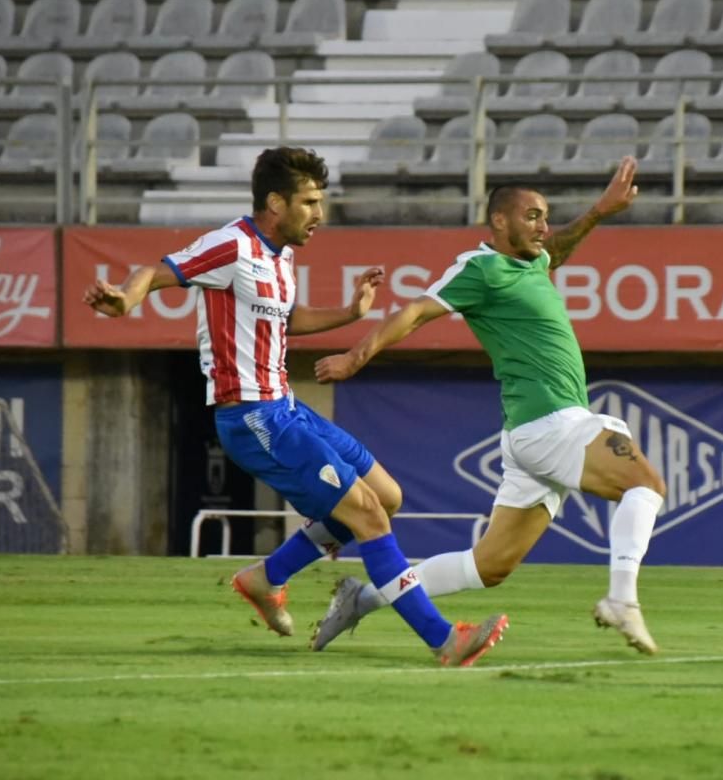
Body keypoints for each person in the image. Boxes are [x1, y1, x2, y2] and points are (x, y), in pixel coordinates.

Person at [82, 146, 508, 667]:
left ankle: (265, 577)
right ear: (275, 202)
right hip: (252, 417)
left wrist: (350, 313)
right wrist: (127, 299)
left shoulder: (281, 256)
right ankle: (445, 640)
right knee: (369, 516)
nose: (319, 215)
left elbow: (287, 319)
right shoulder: (231, 246)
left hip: (286, 406)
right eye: (309, 202)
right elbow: (157, 271)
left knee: (386, 496)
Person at [311, 156, 668, 655]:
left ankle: (362, 599)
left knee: (488, 566)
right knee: (646, 485)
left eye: (545, 217)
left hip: (534, 433)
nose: (543, 226)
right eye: (532, 216)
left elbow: (556, 249)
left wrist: (599, 213)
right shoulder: (481, 268)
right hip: (550, 424)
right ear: (499, 220)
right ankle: (622, 600)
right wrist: (355, 356)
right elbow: (414, 312)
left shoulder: (532, 262)